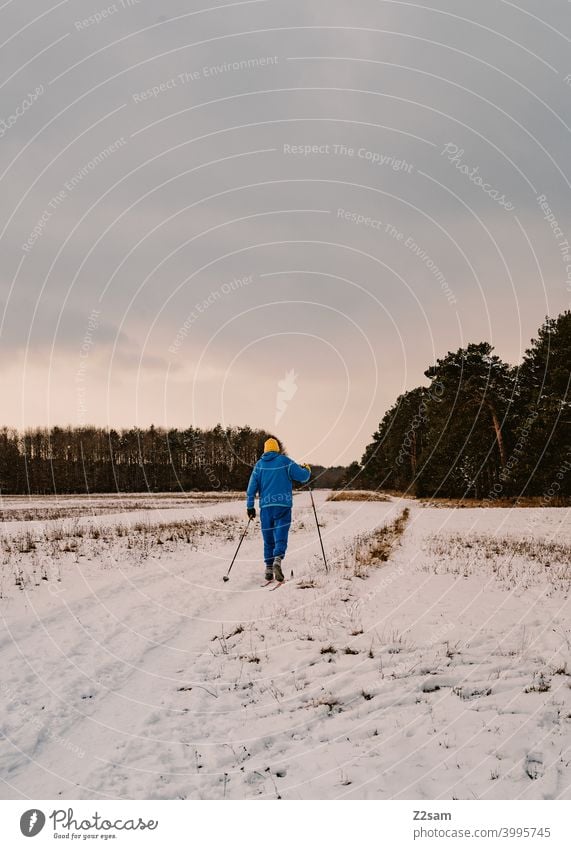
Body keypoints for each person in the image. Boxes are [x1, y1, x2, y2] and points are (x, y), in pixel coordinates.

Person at [246, 437, 311, 582]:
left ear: (265, 450)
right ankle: (277, 559)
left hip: (266, 507)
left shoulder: (259, 465)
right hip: (283, 506)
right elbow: (303, 477)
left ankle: (269, 568)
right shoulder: (284, 461)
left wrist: (250, 507)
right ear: (277, 449)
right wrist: (306, 469)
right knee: (281, 533)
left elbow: (251, 489)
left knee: (268, 537)